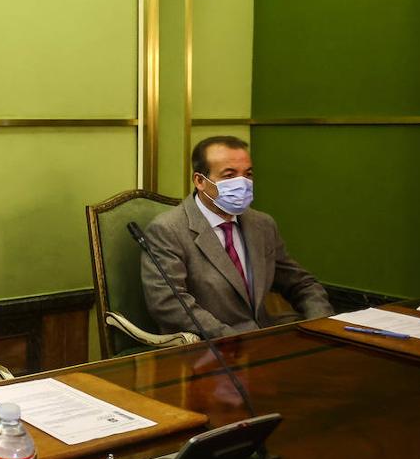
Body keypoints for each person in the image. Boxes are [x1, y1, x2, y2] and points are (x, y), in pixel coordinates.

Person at [141, 135, 333, 338]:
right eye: (229, 175)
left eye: (248, 174)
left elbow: (301, 283)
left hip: (264, 339)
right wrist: (236, 342)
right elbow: (170, 303)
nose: (242, 184)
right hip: (207, 349)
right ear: (199, 181)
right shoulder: (167, 230)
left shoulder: (262, 224)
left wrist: (320, 324)